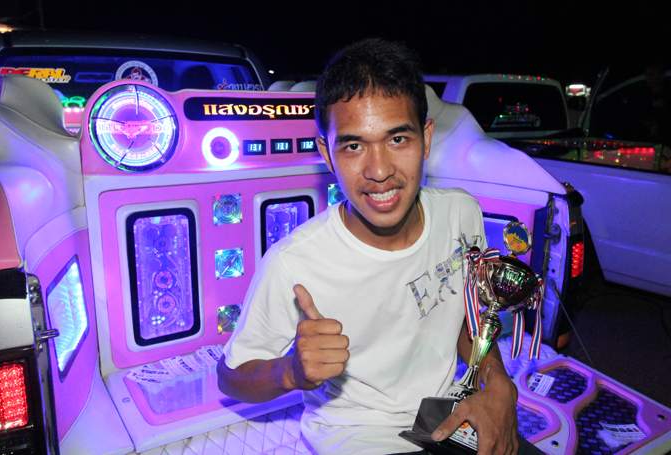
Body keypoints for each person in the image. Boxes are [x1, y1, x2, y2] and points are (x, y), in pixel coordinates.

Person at [217, 38, 520, 454]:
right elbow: (230, 377)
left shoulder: (461, 214)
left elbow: (471, 317)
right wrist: (290, 372)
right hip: (357, 434)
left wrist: (497, 381)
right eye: (354, 146)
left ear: (426, 138)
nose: (379, 171)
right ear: (327, 154)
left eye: (398, 140)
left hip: (442, 412)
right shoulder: (295, 263)